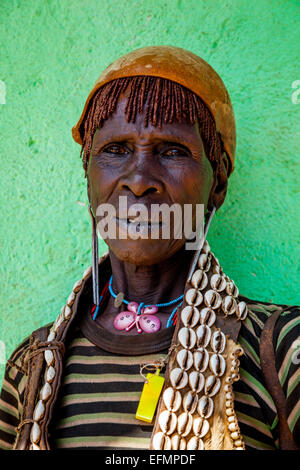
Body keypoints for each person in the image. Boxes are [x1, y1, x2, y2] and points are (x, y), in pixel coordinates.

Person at [0, 46, 299, 451]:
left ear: (219, 183)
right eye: (115, 150)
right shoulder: (31, 370)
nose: (139, 180)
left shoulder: (281, 351)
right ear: (88, 177)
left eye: (172, 151)